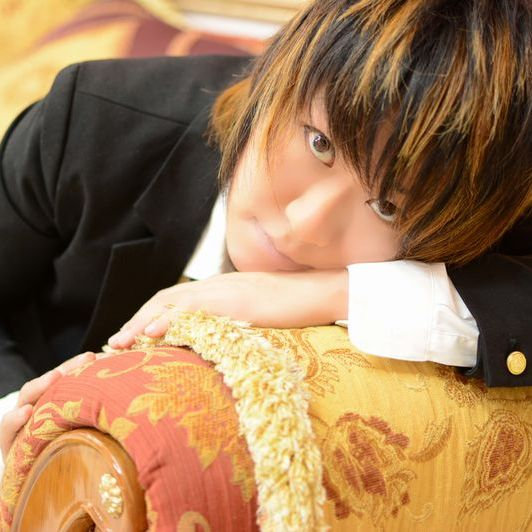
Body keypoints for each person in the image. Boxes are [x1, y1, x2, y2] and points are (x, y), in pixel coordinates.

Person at [1, 0, 531, 471]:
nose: (305, 225)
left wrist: (335, 293)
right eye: (320, 143)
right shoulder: (92, 121)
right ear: (277, 74)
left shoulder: (480, 181)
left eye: (388, 207)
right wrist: (15, 411)